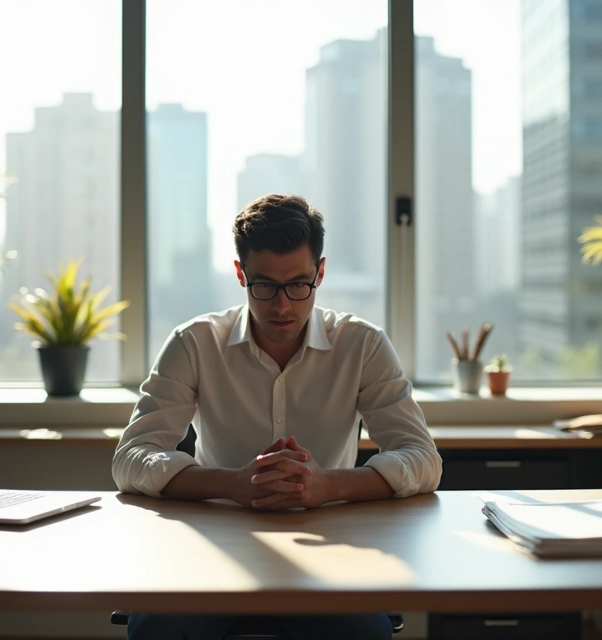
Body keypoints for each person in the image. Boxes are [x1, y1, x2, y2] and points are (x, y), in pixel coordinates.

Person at [112, 194, 443, 640]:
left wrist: (328, 486)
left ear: (320, 274)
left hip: (330, 555)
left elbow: (423, 458)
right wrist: (230, 484)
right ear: (240, 275)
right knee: (157, 628)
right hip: (213, 554)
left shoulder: (361, 345)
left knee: (364, 634)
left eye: (298, 285)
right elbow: (130, 458)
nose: (282, 306)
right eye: (264, 285)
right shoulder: (195, 343)